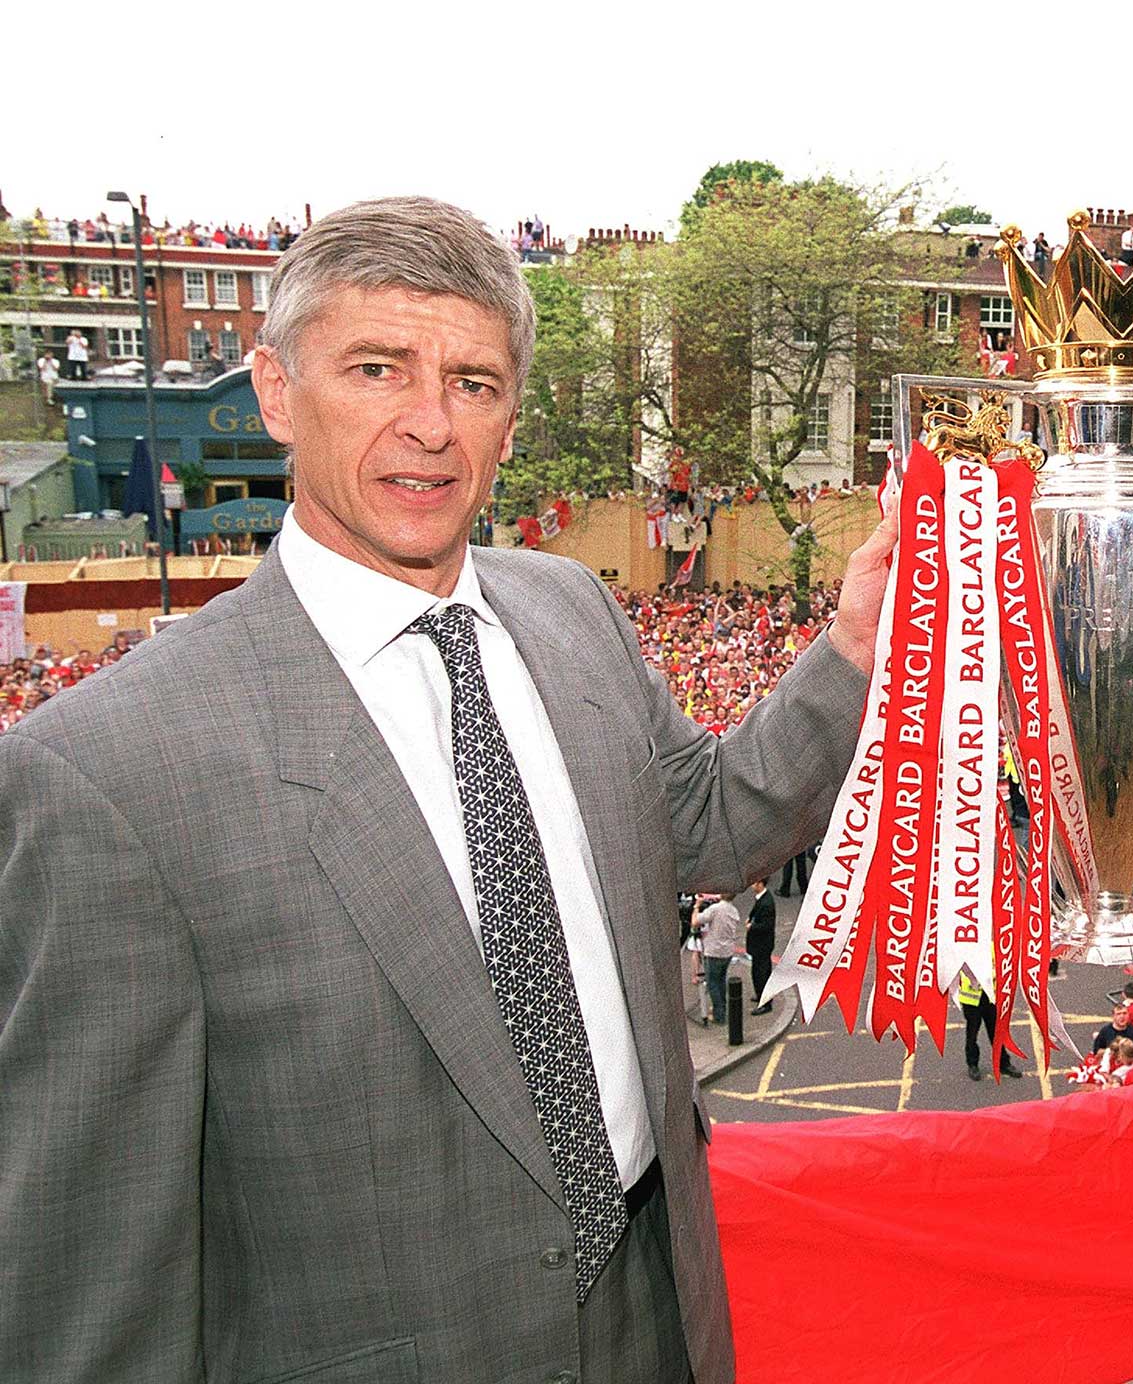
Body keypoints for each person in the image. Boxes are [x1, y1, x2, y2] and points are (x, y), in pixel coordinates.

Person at [0, 196, 897, 1384]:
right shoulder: (102, 772)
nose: (431, 425)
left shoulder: (570, 609)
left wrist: (851, 651)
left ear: (511, 417)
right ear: (273, 391)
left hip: (659, 1311)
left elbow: (712, 818)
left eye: (473, 383)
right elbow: (91, 1291)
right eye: (378, 368)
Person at [695, 890, 743, 1025]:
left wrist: (696, 906)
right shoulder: (733, 911)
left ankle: (719, 1014)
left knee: (712, 984)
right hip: (727, 952)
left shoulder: (715, 909)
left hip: (714, 952)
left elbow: (695, 922)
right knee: (721, 980)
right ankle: (722, 1007)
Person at [744, 876, 777, 1014]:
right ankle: (760, 995)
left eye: (754, 883)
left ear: (760, 883)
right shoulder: (762, 898)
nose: (752, 885)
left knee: (761, 973)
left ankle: (765, 1004)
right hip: (760, 944)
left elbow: (767, 925)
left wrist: (752, 926)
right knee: (758, 971)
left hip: (762, 944)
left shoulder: (767, 903)